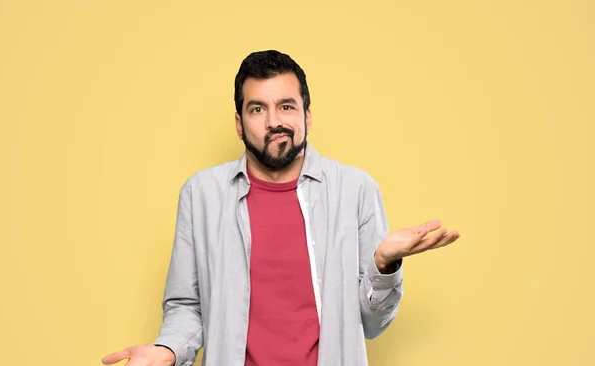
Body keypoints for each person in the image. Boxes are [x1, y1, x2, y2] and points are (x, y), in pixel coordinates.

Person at [102, 50, 460, 366]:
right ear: (240, 125)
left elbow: (373, 324)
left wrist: (383, 264)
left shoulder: (356, 190)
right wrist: (168, 350)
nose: (274, 121)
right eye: (258, 109)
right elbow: (186, 305)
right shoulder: (201, 194)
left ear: (307, 116)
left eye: (286, 106)